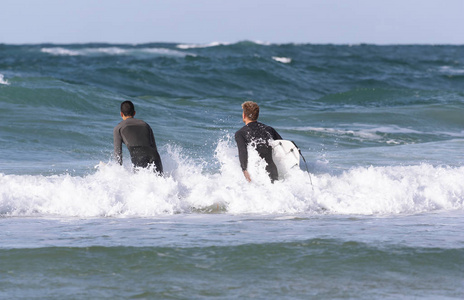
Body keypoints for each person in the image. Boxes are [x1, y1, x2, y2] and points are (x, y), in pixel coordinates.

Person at [235, 101, 282, 182]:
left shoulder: (241, 133)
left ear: (244, 115)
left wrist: (244, 170)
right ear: (257, 115)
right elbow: (282, 144)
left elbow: (243, 152)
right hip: (273, 171)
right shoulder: (269, 129)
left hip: (257, 173)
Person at [113, 100, 163, 174]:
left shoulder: (119, 128)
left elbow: (118, 153)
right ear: (134, 113)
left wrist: (117, 173)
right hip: (155, 156)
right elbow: (154, 147)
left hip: (139, 157)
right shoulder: (146, 125)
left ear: (121, 114)